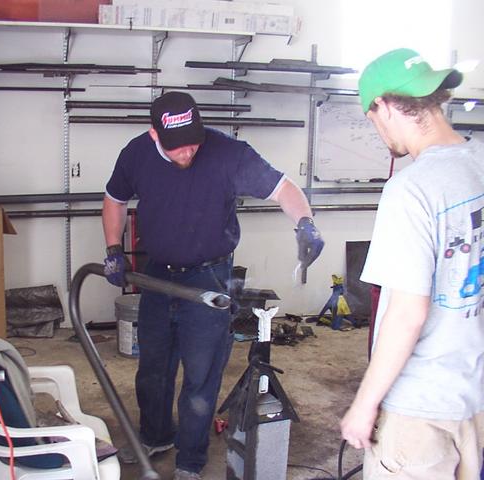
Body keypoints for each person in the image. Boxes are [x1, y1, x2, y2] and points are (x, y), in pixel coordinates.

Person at [102, 91, 324, 479]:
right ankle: (155, 437)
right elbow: (114, 199)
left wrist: (305, 223)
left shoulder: (227, 153)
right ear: (155, 136)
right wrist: (112, 249)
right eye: (176, 147)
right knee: (153, 368)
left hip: (209, 276)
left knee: (201, 374)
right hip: (156, 276)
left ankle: (190, 461)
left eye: (192, 142)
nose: (187, 152)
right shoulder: (136, 153)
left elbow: (283, 188)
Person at [340, 48, 484, 479]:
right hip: (472, 391)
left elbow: (406, 313)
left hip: (419, 408)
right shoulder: (478, 164)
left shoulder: (411, 190)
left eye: (371, 118)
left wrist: (364, 407)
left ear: (382, 106)